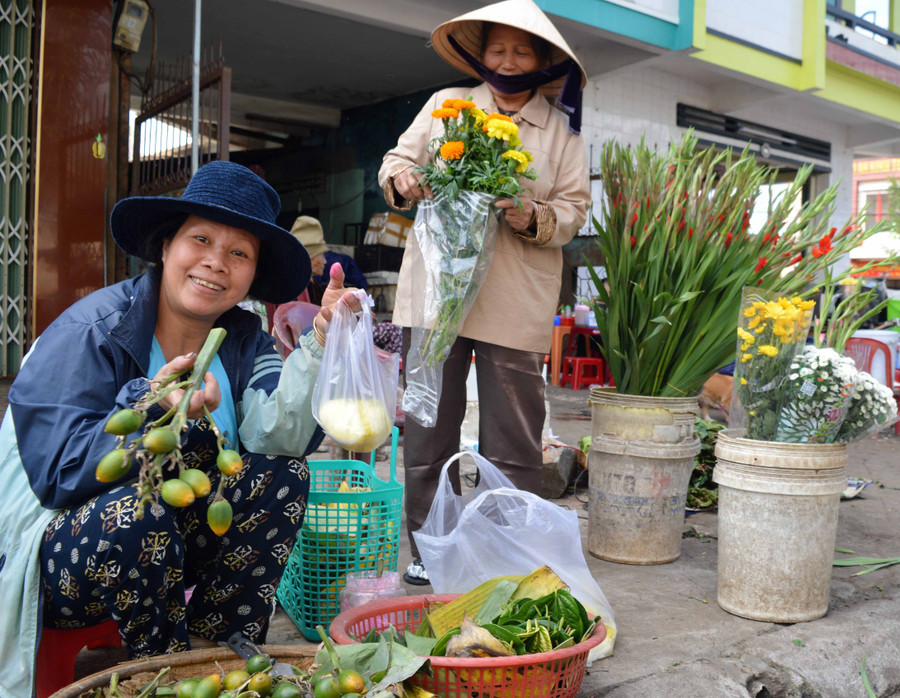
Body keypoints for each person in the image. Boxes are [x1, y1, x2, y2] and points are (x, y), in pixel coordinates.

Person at [0, 161, 358, 692]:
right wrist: (153, 406)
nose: (216, 263)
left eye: (239, 253)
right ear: (166, 246)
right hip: (57, 556)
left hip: (171, 547)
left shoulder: (240, 341)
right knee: (136, 511)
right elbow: (58, 473)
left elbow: (277, 442)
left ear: (252, 276)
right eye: (201, 239)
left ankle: (219, 658)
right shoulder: (91, 332)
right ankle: (163, 675)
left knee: (283, 478)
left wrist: (322, 345)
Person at [378, 0, 590, 585]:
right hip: (436, 297)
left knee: (514, 440)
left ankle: (508, 552)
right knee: (427, 431)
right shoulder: (445, 107)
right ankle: (430, 547)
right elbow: (397, 161)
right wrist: (402, 178)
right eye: (498, 49)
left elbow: (574, 211)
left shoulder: (563, 135)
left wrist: (532, 216)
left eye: (522, 51)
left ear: (543, 61)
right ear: (481, 53)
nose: (508, 60)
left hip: (515, 301)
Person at [264, 215, 368, 334]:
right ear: (309, 257)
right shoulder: (291, 288)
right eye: (321, 254)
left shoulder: (312, 285)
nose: (324, 261)